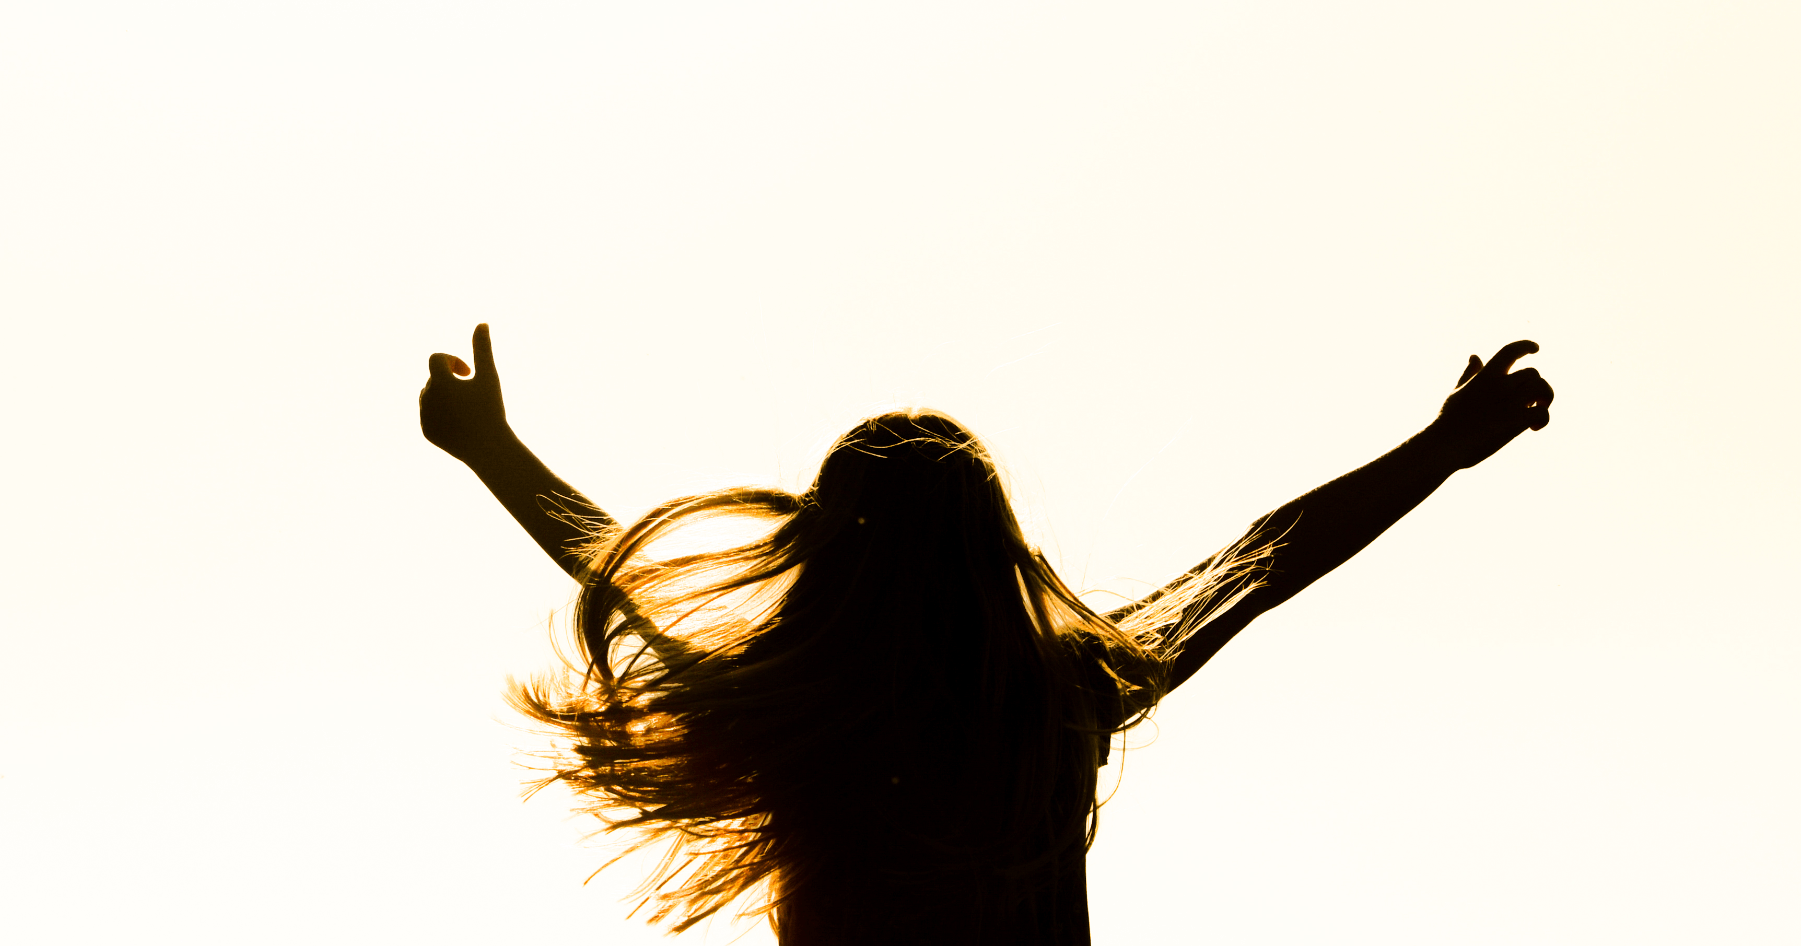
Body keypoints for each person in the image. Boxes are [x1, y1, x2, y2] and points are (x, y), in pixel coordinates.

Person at [420, 325, 1553, 945]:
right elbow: (1263, 560)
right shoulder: (1058, 691)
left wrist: (491, 453)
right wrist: (1439, 449)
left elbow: (623, 573)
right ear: (992, 545)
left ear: (823, 549)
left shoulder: (803, 712)